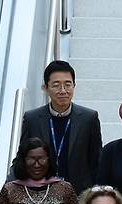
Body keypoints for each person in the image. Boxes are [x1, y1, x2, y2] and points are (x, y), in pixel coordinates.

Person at [19, 59, 102, 195]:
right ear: (45, 88)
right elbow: (22, 158)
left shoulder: (89, 118)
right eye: (56, 85)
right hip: (41, 195)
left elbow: (96, 160)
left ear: (74, 85)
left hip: (78, 195)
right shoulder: (32, 119)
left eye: (68, 84)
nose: (63, 90)